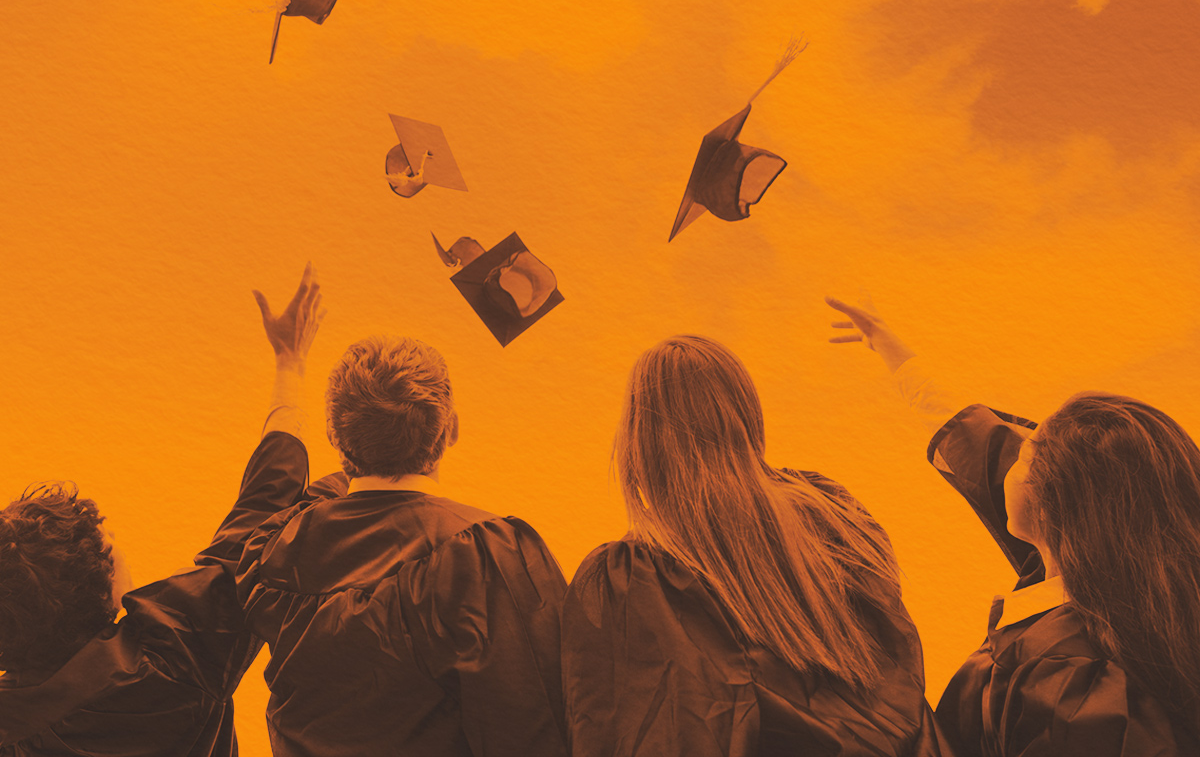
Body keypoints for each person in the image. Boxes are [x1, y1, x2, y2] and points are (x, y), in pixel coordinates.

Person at [827, 296, 1200, 757]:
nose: (1012, 450)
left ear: (1050, 506)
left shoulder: (1075, 692)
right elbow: (980, 441)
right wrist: (894, 352)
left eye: (1027, 453)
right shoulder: (1121, 571)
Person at [561, 334, 947, 757]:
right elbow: (897, 654)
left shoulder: (631, 582)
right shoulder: (834, 514)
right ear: (747, 415)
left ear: (641, 439)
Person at [0, 263, 326, 756]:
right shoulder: (173, 658)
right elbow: (265, 513)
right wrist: (290, 364)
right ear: (107, 586)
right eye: (111, 547)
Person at [235, 324, 568, 755]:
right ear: (451, 431)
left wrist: (289, 367)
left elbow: (276, 488)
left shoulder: (279, 548)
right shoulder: (484, 555)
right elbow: (538, 720)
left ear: (336, 440)